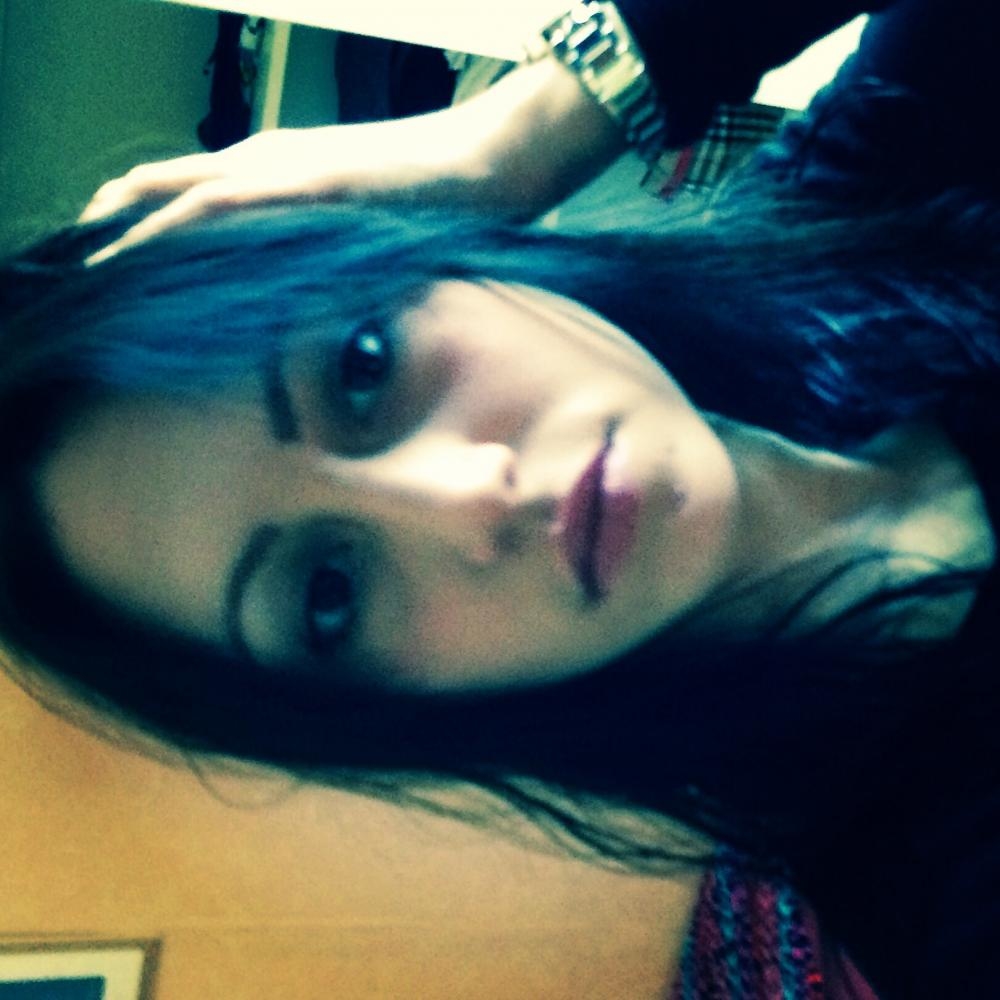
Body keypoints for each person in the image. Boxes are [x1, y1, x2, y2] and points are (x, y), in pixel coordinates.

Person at [2, 0, 999, 995]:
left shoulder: (875, 194)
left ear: (412, 252)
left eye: (364, 366)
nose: (471, 496)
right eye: (329, 595)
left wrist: (515, 138)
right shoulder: (948, 906)